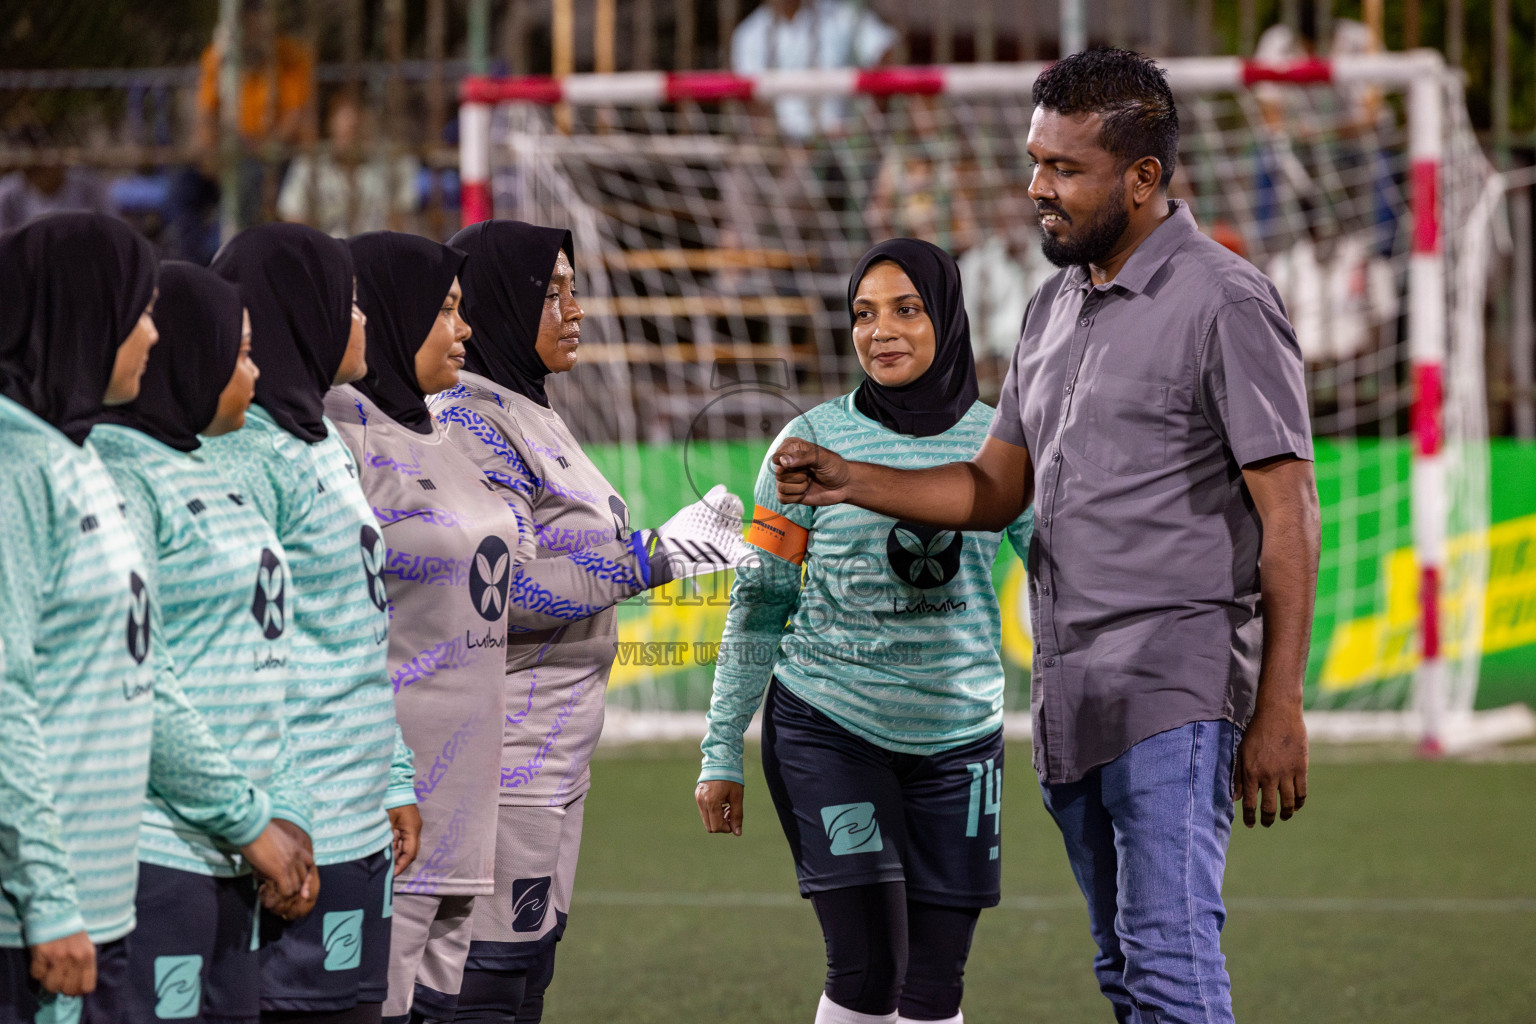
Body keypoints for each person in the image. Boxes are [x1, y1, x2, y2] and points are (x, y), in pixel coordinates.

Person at [772, 49, 1320, 1024]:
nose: (1037, 188)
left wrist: (1280, 702)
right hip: (1068, 693)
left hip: (1175, 681)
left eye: (1065, 168)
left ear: (1143, 178)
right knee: (1124, 970)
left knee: (1170, 963)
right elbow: (993, 488)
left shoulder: (1225, 301)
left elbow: (1289, 511)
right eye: (1037, 162)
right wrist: (854, 478)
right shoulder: (1047, 307)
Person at [697, 238, 1031, 1024]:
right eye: (864, 314)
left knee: (935, 987)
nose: (882, 331)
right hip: (828, 725)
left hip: (961, 739)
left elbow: (1063, 582)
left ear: (947, 318)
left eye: (907, 310)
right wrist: (721, 750)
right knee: (871, 966)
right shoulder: (804, 447)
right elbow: (760, 603)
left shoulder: (1004, 446)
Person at [430, 219, 753, 1024]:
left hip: (553, 756)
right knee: (489, 987)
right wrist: (653, 557)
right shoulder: (471, 422)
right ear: (504, 302)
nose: (574, 309)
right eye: (551, 292)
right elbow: (498, 595)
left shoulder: (525, 405)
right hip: (505, 760)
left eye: (574, 289)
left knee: (525, 975)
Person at [0, 213, 311, 1024]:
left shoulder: (70, 456)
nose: (150, 334)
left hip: (95, 902)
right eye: (136, 312)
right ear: (84, 316)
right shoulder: (13, 469)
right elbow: (6, 702)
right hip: (39, 912)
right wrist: (49, 902)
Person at [201, 222, 422, 1024]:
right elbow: (243, 659)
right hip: (300, 825)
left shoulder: (319, 433)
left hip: (357, 812)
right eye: (349, 302)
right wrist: (276, 813)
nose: (361, 319)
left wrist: (392, 774)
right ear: (304, 312)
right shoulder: (243, 454)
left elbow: (355, 629)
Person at [90, 260, 321, 1024]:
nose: (254, 369)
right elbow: (142, 682)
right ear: (195, 354)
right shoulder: (122, 477)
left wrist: (281, 810)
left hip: (237, 848)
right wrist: (250, 820)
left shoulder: (210, 463)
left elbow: (265, 660)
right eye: (241, 350)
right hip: (163, 850)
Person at [322, 232, 516, 1024]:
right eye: (443, 310)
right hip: (394, 789)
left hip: (468, 782)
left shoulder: (440, 431)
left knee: (446, 1002)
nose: (464, 331)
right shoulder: (342, 433)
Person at [193, 0, 316, 230]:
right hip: (230, 149)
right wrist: (208, 152)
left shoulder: (292, 56)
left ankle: (238, 248)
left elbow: (295, 118)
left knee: (247, 178)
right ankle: (193, 259)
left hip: (276, 151)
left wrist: (260, 147)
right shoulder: (218, 58)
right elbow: (205, 116)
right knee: (182, 187)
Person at [731, 0, 898, 141]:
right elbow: (754, 105)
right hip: (782, 149)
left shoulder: (839, 14)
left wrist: (865, 119)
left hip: (843, 144)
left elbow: (886, 51)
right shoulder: (749, 34)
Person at [277, 95, 420, 238]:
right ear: (331, 124)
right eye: (347, 132)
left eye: (358, 129)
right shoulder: (309, 164)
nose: (353, 133)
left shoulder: (393, 164)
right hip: (325, 254)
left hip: (377, 254)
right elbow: (293, 221)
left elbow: (403, 223)